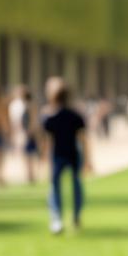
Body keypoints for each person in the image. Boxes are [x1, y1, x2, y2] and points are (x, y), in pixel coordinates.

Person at [41, 81, 91, 235]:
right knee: (76, 186)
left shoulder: (50, 118)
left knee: (55, 188)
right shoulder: (76, 116)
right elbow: (83, 140)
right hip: (73, 154)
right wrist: (88, 159)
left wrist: (44, 160)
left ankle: (56, 218)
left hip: (57, 155)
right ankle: (76, 216)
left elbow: (47, 142)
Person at [9, 85, 43, 183]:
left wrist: (28, 131)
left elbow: (32, 120)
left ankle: (31, 175)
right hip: (27, 132)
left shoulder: (28, 105)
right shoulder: (25, 105)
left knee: (29, 154)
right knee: (29, 154)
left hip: (28, 133)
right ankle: (30, 174)